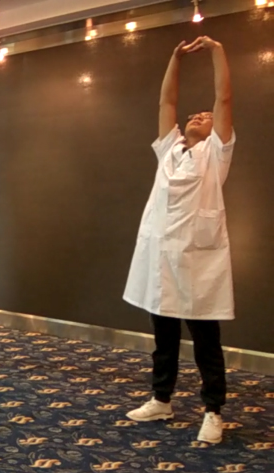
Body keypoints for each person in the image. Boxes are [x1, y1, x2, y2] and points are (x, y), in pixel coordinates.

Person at [123, 36, 235, 445]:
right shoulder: (169, 150)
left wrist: (217, 51)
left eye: (206, 116)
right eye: (195, 114)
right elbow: (166, 102)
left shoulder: (216, 154)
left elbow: (224, 98)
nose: (199, 115)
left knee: (207, 343)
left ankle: (213, 411)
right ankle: (161, 399)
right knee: (164, 337)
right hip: (161, 258)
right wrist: (174, 57)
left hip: (198, 263)